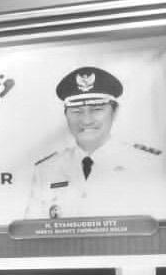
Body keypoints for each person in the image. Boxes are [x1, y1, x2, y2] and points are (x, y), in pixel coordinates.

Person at [24, 66, 166, 219]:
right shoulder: (46, 170)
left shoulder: (146, 163)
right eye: (76, 111)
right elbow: (33, 230)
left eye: (97, 109)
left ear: (115, 112)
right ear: (66, 115)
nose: (86, 120)